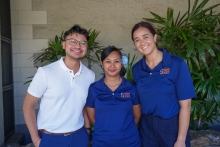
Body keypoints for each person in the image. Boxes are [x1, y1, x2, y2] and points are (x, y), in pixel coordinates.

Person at [23, 25, 95, 147]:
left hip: (79, 137)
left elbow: (84, 105)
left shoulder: (90, 75)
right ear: (63, 44)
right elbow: (27, 106)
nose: (77, 46)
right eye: (72, 41)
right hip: (51, 138)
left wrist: (87, 130)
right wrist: (36, 140)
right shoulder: (46, 72)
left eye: (83, 43)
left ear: (87, 47)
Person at [131, 21, 196, 147]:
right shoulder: (137, 69)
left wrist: (181, 140)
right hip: (147, 128)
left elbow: (186, 105)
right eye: (137, 40)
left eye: (145, 37)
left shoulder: (176, 64)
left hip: (171, 125)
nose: (142, 43)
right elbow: (137, 103)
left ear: (155, 37)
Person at [86, 46, 141, 147]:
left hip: (130, 142)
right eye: (108, 61)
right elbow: (93, 118)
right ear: (101, 64)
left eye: (116, 61)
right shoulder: (94, 89)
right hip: (102, 142)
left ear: (121, 64)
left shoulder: (131, 88)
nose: (112, 65)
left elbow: (136, 117)